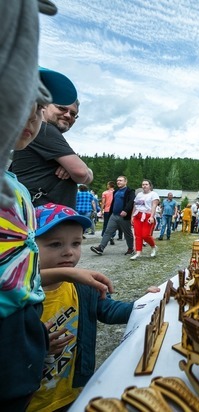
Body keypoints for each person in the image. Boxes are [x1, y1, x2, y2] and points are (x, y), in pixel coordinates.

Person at [0, 66, 112, 410]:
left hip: (22, 331)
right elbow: (83, 172)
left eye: (36, 108)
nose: (34, 117)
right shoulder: (47, 138)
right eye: (24, 103)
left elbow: (20, 278)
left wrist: (32, 338)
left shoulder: (13, 184)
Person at [27, 203, 159, 412]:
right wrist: (36, 347)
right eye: (55, 244)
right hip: (28, 401)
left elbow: (108, 310)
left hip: (71, 394)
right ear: (29, 246)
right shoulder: (17, 295)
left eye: (76, 243)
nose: (69, 252)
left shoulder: (82, 286)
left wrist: (146, 302)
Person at [11, 94, 94, 208]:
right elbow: (81, 172)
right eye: (61, 108)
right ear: (44, 107)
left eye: (73, 114)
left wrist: (72, 169)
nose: (68, 115)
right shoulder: (45, 129)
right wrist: (84, 171)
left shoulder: (35, 133)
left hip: (33, 213)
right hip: (46, 217)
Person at [90, 176, 135, 256]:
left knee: (127, 233)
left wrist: (125, 210)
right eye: (117, 180)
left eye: (120, 180)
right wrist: (109, 213)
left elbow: (131, 201)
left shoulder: (130, 191)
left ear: (125, 182)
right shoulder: (116, 192)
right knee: (108, 231)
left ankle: (130, 249)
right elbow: (113, 203)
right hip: (114, 215)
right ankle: (101, 248)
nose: (118, 182)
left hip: (124, 216)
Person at [130, 179, 160, 260]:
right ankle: (138, 252)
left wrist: (151, 216)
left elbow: (154, 206)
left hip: (148, 215)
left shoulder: (154, 194)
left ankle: (153, 247)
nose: (144, 186)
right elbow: (135, 206)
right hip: (138, 215)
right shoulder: (139, 194)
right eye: (143, 184)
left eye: (146, 184)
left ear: (150, 185)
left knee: (145, 235)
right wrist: (132, 216)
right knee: (138, 235)